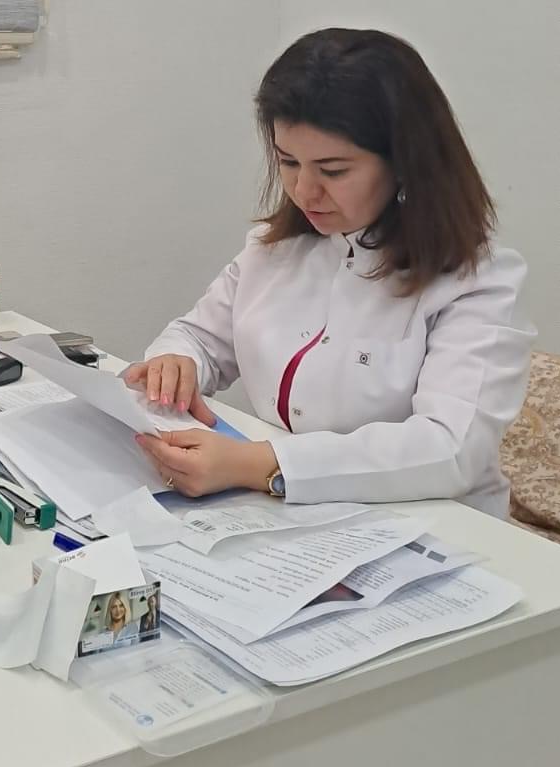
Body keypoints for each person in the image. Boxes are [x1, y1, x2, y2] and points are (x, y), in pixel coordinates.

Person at [126, 28, 534, 515]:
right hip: (294, 513)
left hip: (435, 525)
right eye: (288, 162)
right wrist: (176, 362)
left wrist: (260, 464)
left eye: (333, 170)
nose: (304, 191)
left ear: (405, 162)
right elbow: (199, 337)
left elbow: (450, 449)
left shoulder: (477, 281)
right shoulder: (276, 249)